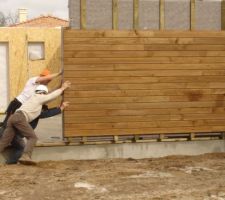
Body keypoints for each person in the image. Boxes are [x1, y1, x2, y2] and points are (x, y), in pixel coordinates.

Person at [0, 81, 71, 165]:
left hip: (12, 118)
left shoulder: (33, 99)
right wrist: (62, 88)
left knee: (4, 142)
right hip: (20, 118)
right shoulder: (39, 97)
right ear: (43, 93)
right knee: (32, 137)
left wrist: (60, 108)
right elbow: (51, 96)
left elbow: (45, 109)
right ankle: (26, 156)